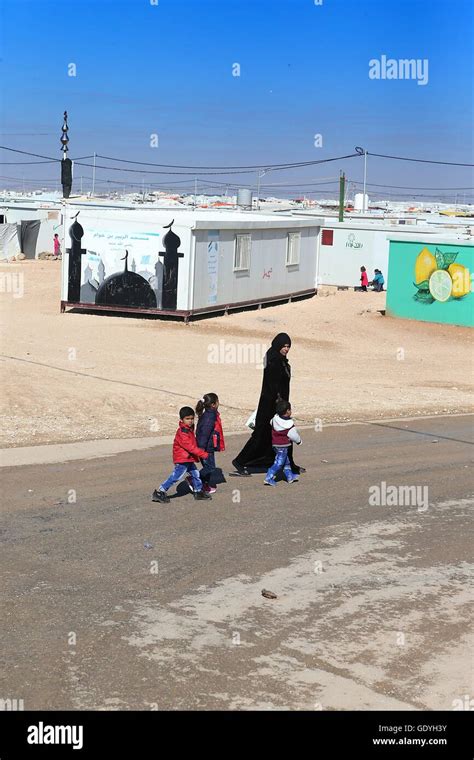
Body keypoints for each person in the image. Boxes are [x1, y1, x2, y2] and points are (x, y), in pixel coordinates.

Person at [232, 332, 304, 476]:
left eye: (288, 346)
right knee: (264, 434)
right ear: (278, 345)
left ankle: (286, 464)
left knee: (280, 435)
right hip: (271, 405)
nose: (286, 349)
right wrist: (280, 405)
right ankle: (240, 462)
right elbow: (272, 386)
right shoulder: (274, 361)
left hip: (278, 404)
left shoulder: (279, 359)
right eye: (284, 346)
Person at [151, 406, 212, 503]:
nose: (190, 421)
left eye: (192, 418)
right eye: (187, 419)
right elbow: (190, 447)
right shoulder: (182, 433)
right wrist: (203, 454)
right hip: (182, 459)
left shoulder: (189, 429)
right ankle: (160, 491)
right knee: (176, 477)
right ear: (182, 420)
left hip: (188, 459)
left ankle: (198, 491)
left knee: (196, 474)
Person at [192, 393, 225, 495]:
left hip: (208, 446)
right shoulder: (209, 417)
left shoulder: (209, 414)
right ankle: (194, 479)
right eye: (218, 401)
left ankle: (205, 485)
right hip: (206, 448)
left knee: (208, 467)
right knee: (210, 467)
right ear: (213, 404)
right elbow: (204, 434)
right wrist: (201, 449)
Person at [264, 400, 302, 486]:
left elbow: (271, 422)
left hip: (275, 444)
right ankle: (268, 477)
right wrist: (299, 441)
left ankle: (289, 476)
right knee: (279, 463)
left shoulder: (274, 419)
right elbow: (293, 436)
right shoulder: (289, 425)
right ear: (288, 411)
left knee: (286, 461)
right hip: (283, 446)